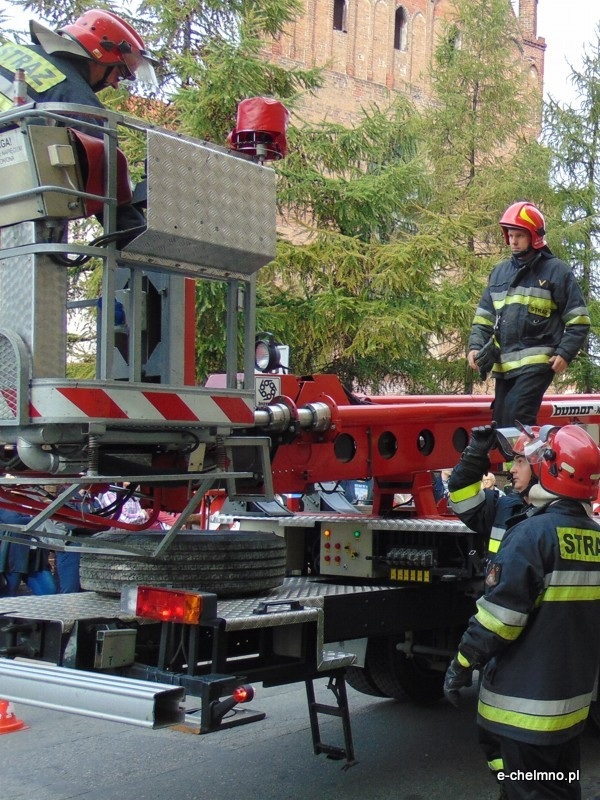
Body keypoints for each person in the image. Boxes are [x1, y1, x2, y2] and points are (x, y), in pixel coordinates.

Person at [444, 424, 600, 800]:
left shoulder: (532, 534)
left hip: (522, 709)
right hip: (569, 707)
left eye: (521, 460)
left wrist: (462, 663)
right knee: (556, 787)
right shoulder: (592, 536)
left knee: (531, 788)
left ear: (548, 467)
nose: (511, 468)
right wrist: (474, 455)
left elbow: (500, 619)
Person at [0, 9, 158, 241]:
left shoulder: (10, 52)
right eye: (120, 73)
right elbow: (105, 172)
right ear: (101, 55)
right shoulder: (72, 93)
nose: (115, 84)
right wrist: (138, 243)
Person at [467, 202, 590, 427]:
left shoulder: (556, 271)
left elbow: (579, 320)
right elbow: (483, 318)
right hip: (504, 367)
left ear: (534, 237)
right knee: (501, 424)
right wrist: (475, 346)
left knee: (517, 418)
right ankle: (517, 453)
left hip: (537, 364)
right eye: (510, 235)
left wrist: (565, 353)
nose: (513, 241)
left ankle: (524, 451)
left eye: (519, 235)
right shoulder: (499, 273)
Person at [0, 508, 56, 596]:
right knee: (9, 593)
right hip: (14, 557)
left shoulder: (37, 502)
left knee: (49, 591)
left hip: (36, 556)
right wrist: (43, 519)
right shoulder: (4, 502)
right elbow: (14, 521)